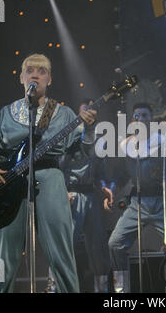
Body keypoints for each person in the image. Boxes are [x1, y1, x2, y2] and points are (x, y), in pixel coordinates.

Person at [0, 53, 97, 293]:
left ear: (49, 79)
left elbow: (81, 154)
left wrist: (89, 131)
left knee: (61, 250)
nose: (35, 74)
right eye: (30, 70)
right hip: (9, 183)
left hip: (50, 178)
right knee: (4, 255)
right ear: (22, 77)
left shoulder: (63, 113)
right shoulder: (7, 112)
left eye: (42, 71)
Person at [107, 102, 165, 293]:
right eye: (137, 116)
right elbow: (119, 176)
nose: (140, 119)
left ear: (151, 119)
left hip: (161, 203)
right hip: (137, 204)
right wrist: (111, 191)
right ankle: (121, 287)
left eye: (145, 116)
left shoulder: (162, 141)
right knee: (115, 243)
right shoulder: (126, 145)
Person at [59, 100, 113, 293]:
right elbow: (57, 169)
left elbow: (101, 172)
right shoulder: (68, 138)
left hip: (90, 196)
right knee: (65, 245)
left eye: (91, 112)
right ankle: (56, 288)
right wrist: (61, 191)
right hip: (71, 195)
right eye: (84, 112)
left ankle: (103, 290)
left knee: (98, 245)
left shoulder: (100, 140)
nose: (89, 115)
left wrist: (105, 188)